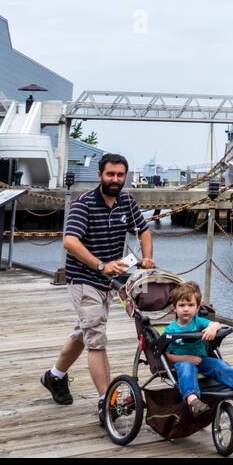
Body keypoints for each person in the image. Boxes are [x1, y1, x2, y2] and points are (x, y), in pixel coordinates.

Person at [40, 153, 154, 422]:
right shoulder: (84, 204)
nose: (115, 180)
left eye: (120, 175)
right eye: (110, 174)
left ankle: (54, 377)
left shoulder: (126, 200)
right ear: (100, 175)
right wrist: (101, 265)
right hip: (84, 280)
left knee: (84, 332)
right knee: (96, 339)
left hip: (110, 282)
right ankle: (107, 402)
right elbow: (70, 242)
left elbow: (144, 229)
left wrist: (147, 257)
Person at [163, 281, 233, 413]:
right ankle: (192, 399)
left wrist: (213, 328)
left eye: (190, 305)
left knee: (219, 364)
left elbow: (216, 324)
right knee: (187, 368)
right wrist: (188, 358)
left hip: (202, 360)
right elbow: (168, 356)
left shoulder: (198, 321)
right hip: (182, 362)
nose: (186, 309)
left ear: (197, 308)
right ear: (174, 308)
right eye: (182, 305)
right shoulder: (171, 330)